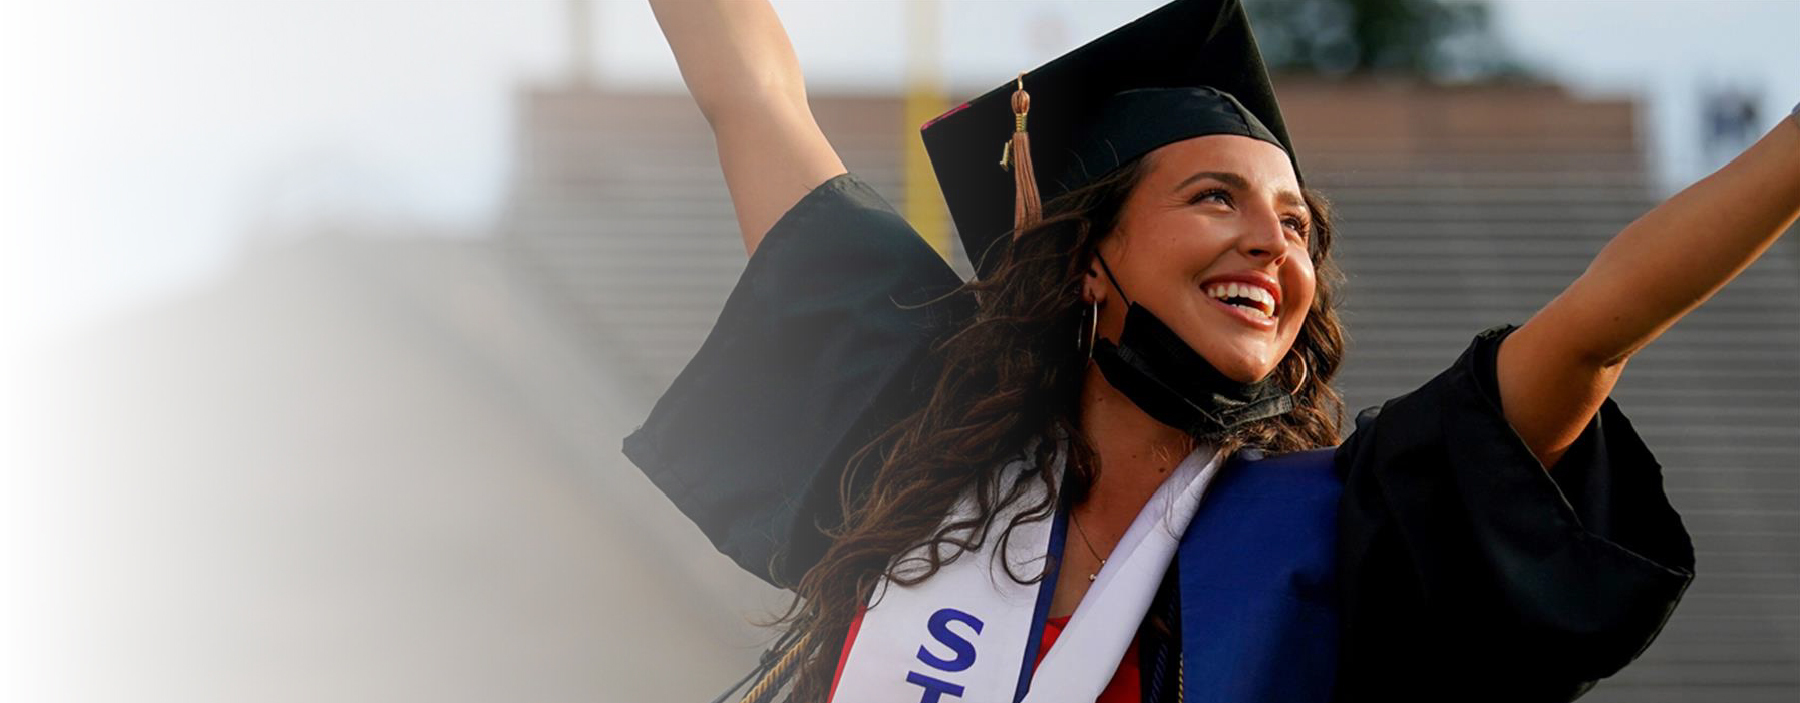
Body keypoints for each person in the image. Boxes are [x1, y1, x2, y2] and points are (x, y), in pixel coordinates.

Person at [624, 0, 1800, 701]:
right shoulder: (917, 435)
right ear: (1090, 257)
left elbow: (1598, 325)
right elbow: (752, 96)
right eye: (1215, 198)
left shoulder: (1336, 530)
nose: (1271, 246)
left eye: (1295, 224)